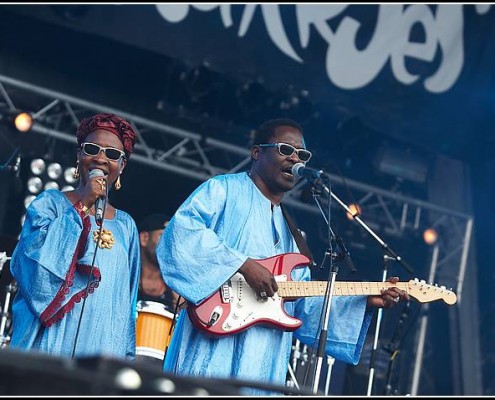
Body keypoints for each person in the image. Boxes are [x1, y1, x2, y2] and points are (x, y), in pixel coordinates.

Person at [156, 117, 409, 395]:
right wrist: (243, 265)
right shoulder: (223, 189)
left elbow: (302, 308)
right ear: (257, 152)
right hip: (212, 340)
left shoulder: (294, 236)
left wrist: (365, 302)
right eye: (285, 149)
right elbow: (181, 234)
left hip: (263, 357)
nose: (294, 159)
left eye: (301, 154)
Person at [9, 112, 140, 360]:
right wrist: (83, 204)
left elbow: (127, 304)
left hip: (102, 346)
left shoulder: (126, 226)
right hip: (49, 343)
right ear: (79, 156)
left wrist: (125, 358)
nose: (101, 158)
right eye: (92, 149)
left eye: (112, 154)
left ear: (121, 166)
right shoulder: (49, 204)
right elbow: (33, 274)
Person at [137, 213, 179, 311]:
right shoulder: (127, 279)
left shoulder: (176, 288)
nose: (169, 244)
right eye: (163, 237)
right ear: (144, 238)